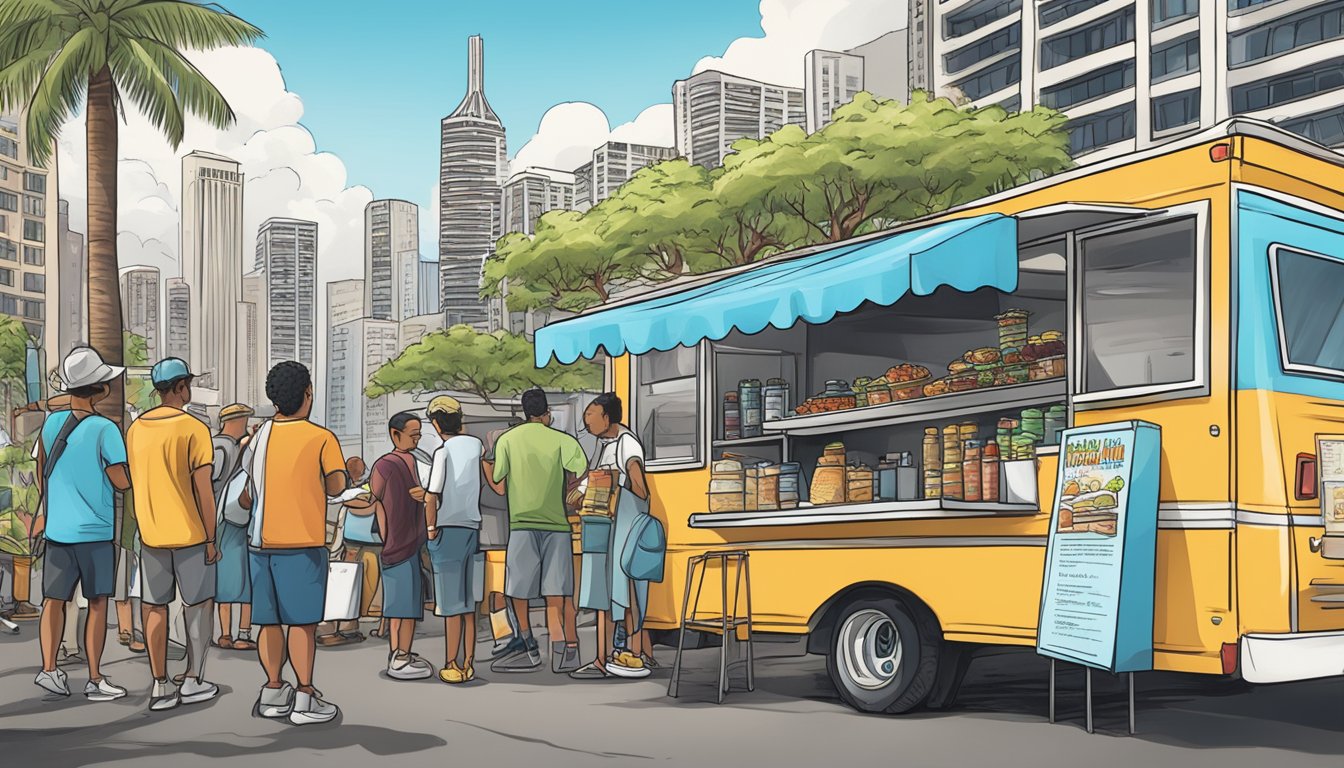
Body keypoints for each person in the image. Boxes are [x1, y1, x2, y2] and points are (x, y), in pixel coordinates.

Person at [242, 361, 346, 725]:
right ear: (307, 394)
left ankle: (272, 690)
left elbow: (246, 495)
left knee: (269, 622)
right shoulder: (321, 438)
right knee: (302, 623)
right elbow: (336, 486)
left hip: (260, 543)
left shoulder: (259, 437)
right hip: (302, 542)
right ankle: (305, 695)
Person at [31, 346, 131, 701]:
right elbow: (121, 481)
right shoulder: (107, 429)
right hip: (95, 532)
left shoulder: (51, 424)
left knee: (53, 601)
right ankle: (94, 678)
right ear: (100, 389)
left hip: (59, 530)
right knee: (98, 603)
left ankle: (48, 670)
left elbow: (42, 469)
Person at [126, 358, 220, 711]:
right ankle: (194, 678)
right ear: (181, 388)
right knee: (197, 608)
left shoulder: (135, 430)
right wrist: (212, 539)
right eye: (187, 385)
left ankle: (160, 684)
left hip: (150, 534)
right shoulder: (194, 429)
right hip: (191, 534)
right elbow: (204, 491)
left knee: (154, 608)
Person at [487, 388, 587, 674]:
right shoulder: (562, 440)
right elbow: (580, 471)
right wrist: (566, 486)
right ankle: (563, 650)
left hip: (521, 523)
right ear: (547, 414)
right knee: (558, 590)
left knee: (519, 589)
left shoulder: (507, 439)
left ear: (524, 412)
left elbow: (498, 481)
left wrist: (486, 466)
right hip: (556, 524)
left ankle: (529, 644)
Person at [569, 393, 654, 679]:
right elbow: (597, 478)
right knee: (603, 594)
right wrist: (582, 492)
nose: (587, 422)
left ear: (607, 416)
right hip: (603, 526)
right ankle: (601, 658)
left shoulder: (627, 443)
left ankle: (633, 654)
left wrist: (614, 493)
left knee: (624, 592)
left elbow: (640, 488)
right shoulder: (604, 445)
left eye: (591, 416)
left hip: (623, 528)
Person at [424, 396, 486, 684]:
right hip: (472, 528)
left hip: (447, 528)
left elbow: (431, 495)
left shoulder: (443, 452)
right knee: (469, 601)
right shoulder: (476, 446)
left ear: (437, 423)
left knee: (451, 604)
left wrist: (430, 529)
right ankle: (469, 663)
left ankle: (452, 663)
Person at [369, 411, 432, 680]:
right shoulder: (385, 464)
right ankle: (399, 656)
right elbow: (374, 498)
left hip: (413, 540)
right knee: (400, 606)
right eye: (413, 435)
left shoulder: (416, 460)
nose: (417, 439)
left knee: (409, 604)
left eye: (419, 434)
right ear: (395, 435)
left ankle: (403, 651)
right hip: (397, 542)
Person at [318, 456, 376, 646]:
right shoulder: (342, 490)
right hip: (335, 542)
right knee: (336, 584)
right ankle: (332, 630)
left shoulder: (354, 489)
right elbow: (364, 502)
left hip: (338, 541)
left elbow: (365, 501)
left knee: (336, 583)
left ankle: (339, 627)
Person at [212, 403, 256, 651]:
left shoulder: (216, 445)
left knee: (225, 579)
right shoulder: (227, 446)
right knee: (245, 579)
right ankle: (242, 634)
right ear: (236, 421)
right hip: (236, 520)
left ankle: (226, 634)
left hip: (220, 521)